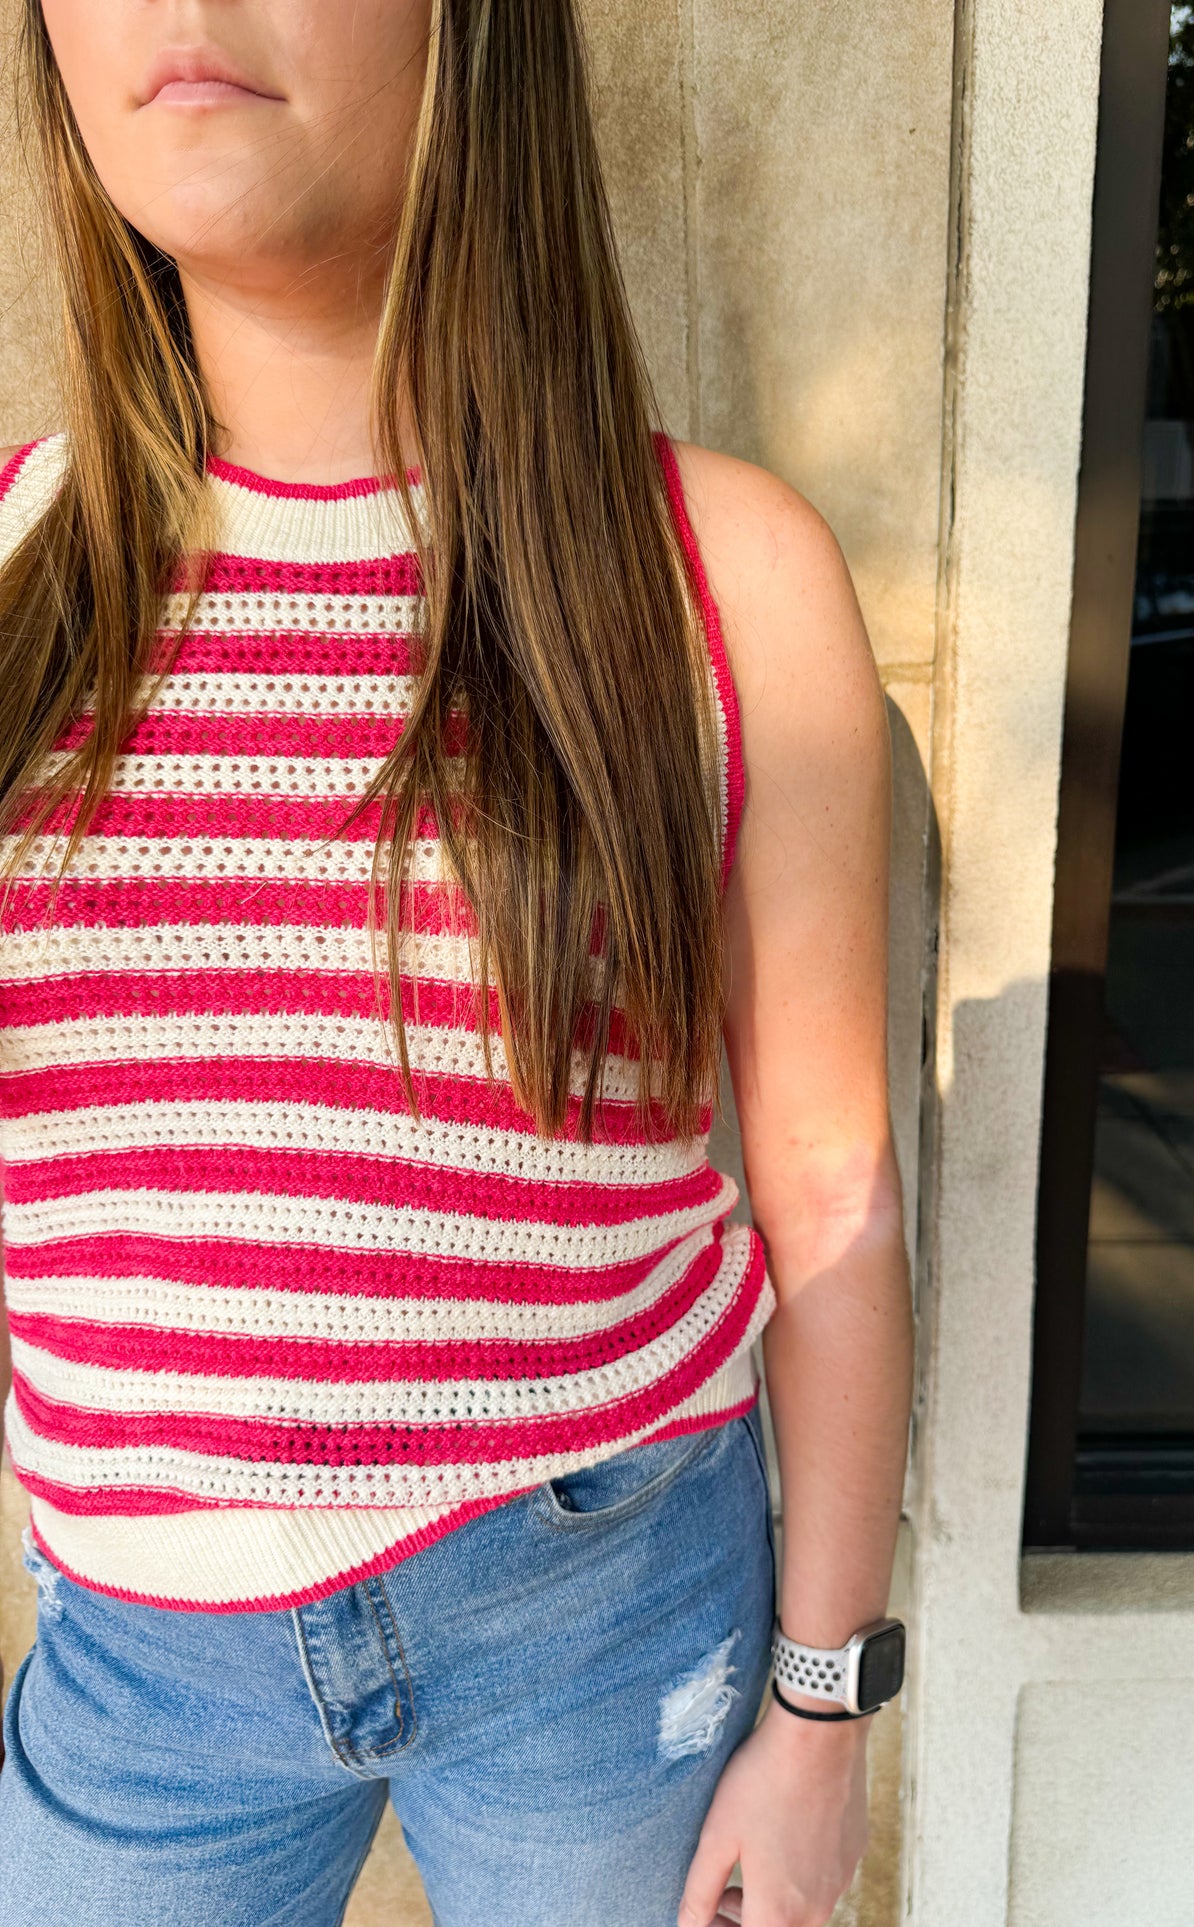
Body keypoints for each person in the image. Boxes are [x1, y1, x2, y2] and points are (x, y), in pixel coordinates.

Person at [0, 2, 914, 1923]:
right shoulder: (17, 568)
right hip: (137, 1667)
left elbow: (829, 1193)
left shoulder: (714, 577)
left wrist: (822, 1716)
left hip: (603, 1617)